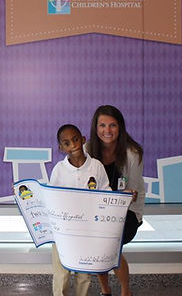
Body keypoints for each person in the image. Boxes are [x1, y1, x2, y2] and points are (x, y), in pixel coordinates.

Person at [86, 105, 145, 296]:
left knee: (109, 244)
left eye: (113, 125)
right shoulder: (87, 150)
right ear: (95, 128)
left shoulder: (133, 153)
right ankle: (105, 290)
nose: (107, 131)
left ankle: (125, 291)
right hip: (97, 210)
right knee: (99, 245)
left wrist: (113, 199)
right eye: (102, 125)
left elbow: (132, 194)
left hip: (127, 211)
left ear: (120, 128)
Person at [50, 124, 110, 296]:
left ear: (83, 140)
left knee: (84, 274)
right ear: (61, 148)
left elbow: (106, 191)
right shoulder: (59, 170)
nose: (73, 145)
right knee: (61, 274)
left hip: (87, 231)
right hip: (62, 232)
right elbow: (51, 197)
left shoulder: (96, 166)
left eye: (76, 140)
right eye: (67, 143)